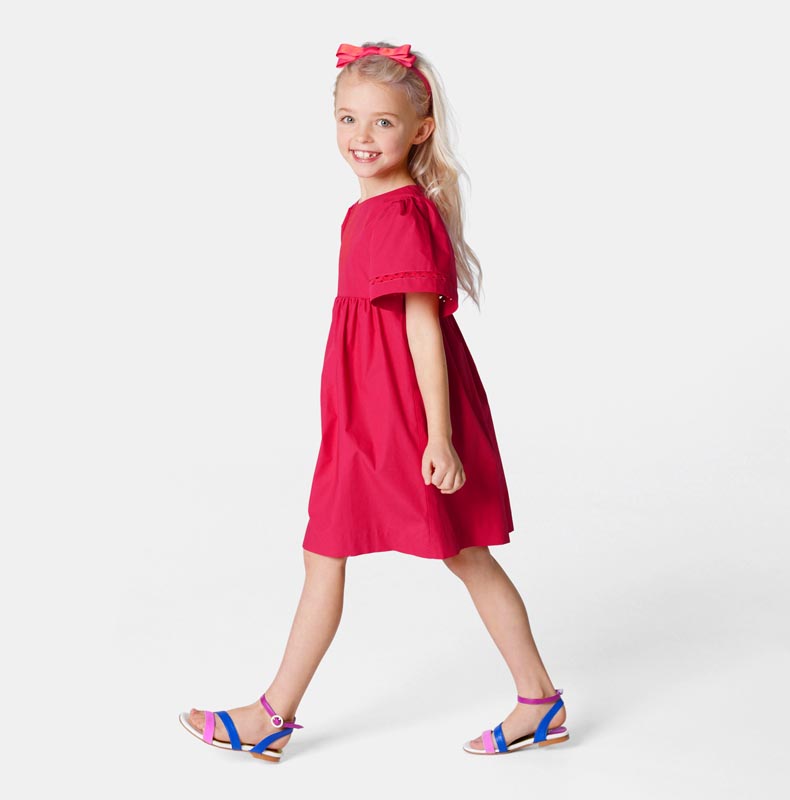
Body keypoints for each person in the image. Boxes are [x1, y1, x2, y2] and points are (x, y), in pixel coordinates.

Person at [178, 41, 568, 762]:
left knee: (445, 551)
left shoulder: (398, 216)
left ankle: (272, 716)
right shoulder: (372, 209)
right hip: (367, 410)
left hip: (401, 416)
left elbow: (422, 329)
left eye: (383, 122)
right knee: (378, 551)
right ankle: (536, 699)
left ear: (420, 130)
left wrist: (438, 436)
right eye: (348, 118)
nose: (362, 136)